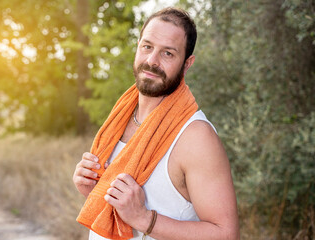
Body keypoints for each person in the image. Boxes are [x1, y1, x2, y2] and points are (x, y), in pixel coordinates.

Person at [73, 7, 240, 240]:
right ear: (138, 46)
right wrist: (95, 190)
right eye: (147, 47)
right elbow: (118, 206)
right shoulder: (121, 115)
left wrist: (143, 218)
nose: (152, 61)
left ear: (187, 64)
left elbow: (226, 235)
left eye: (168, 53)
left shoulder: (196, 137)